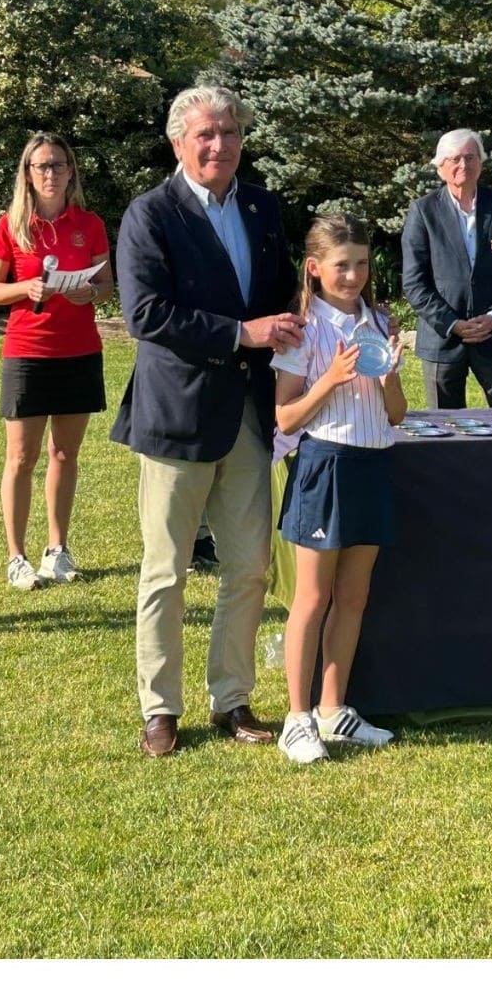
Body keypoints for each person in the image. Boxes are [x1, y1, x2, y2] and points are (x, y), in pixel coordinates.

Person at [112, 85, 302, 758]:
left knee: (250, 566)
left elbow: (282, 294)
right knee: (165, 570)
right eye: (206, 134)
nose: (219, 145)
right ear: (178, 142)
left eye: (229, 132)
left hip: (249, 415)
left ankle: (233, 698)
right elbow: (147, 316)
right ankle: (161, 709)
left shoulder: (260, 205)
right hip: (178, 417)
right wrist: (243, 334)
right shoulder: (149, 215)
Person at [270, 211, 408, 763]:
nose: (353, 275)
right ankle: (296, 719)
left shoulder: (379, 322)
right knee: (312, 598)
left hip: (373, 464)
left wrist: (389, 375)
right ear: (315, 268)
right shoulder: (304, 328)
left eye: (362, 264)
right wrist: (330, 378)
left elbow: (396, 415)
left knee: (353, 597)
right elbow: (284, 418)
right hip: (324, 465)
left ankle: (333, 711)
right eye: (341, 265)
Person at [0, 133, 113, 590]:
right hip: (29, 352)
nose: (51, 173)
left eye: (59, 165)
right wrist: (27, 288)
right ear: (28, 174)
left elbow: (106, 284)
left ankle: (57, 549)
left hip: (79, 350)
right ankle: (16, 557)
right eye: (42, 166)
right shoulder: (11, 226)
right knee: (21, 457)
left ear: (71, 171)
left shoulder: (90, 224)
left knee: (65, 453)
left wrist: (90, 291)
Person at [401, 129, 492, 409]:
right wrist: (452, 323)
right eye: (455, 159)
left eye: (470, 157)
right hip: (443, 340)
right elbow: (414, 282)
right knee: (445, 432)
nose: (464, 165)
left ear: (481, 163)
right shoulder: (423, 211)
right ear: (440, 168)